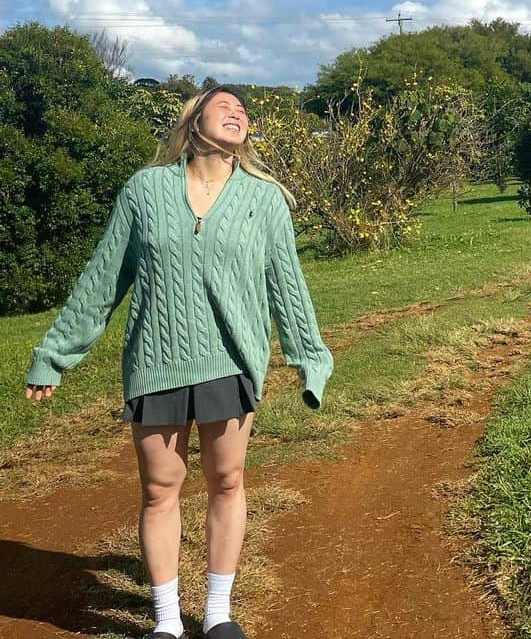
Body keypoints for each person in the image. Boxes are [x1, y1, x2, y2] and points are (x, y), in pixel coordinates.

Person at [24, 85, 333, 639]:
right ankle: (166, 622)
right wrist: (54, 354)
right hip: (156, 362)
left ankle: (217, 613)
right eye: (225, 105)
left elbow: (288, 285)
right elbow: (102, 280)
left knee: (227, 480)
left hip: (229, 361)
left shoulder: (264, 200)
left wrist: (310, 357)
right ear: (194, 123)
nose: (238, 112)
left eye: (244, 110)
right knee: (159, 489)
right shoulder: (145, 191)